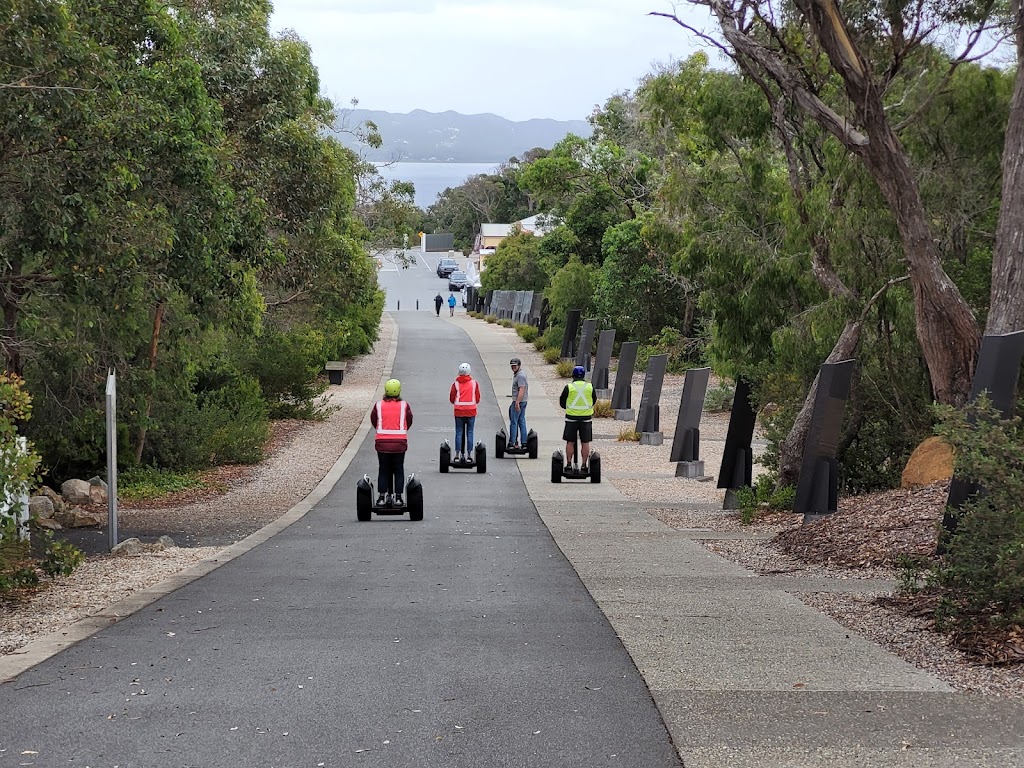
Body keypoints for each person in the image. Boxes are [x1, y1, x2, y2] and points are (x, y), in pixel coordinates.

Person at [369, 378, 413, 507]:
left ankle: (382, 497)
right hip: (399, 442)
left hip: (382, 442)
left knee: (383, 469)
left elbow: (374, 420)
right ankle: (398, 497)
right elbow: (409, 420)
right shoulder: (404, 405)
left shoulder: (378, 405)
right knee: (398, 468)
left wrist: (380, 431)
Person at [559, 365, 595, 470]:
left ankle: (569, 464)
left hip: (571, 418)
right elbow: (594, 400)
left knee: (570, 441)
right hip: (586, 418)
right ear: (583, 375)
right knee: (585, 442)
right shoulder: (590, 387)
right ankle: (584, 465)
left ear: (573, 375)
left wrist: (570, 408)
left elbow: (562, 402)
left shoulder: (569, 387)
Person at [449, 362, 481, 460]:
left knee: (459, 432)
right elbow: (478, 398)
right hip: (471, 411)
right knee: (470, 432)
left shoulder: (456, 384)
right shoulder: (474, 383)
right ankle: (469, 455)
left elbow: (451, 398)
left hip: (459, 411)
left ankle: (458, 454)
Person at [507, 357, 528, 449]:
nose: (513, 367)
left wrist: (517, 402)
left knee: (514, 422)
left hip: (519, 401)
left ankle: (513, 442)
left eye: (515, 366)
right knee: (521, 421)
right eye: (512, 366)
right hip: (522, 401)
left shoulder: (520, 376)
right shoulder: (518, 374)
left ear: (519, 365)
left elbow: (522, 389)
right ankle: (524, 442)